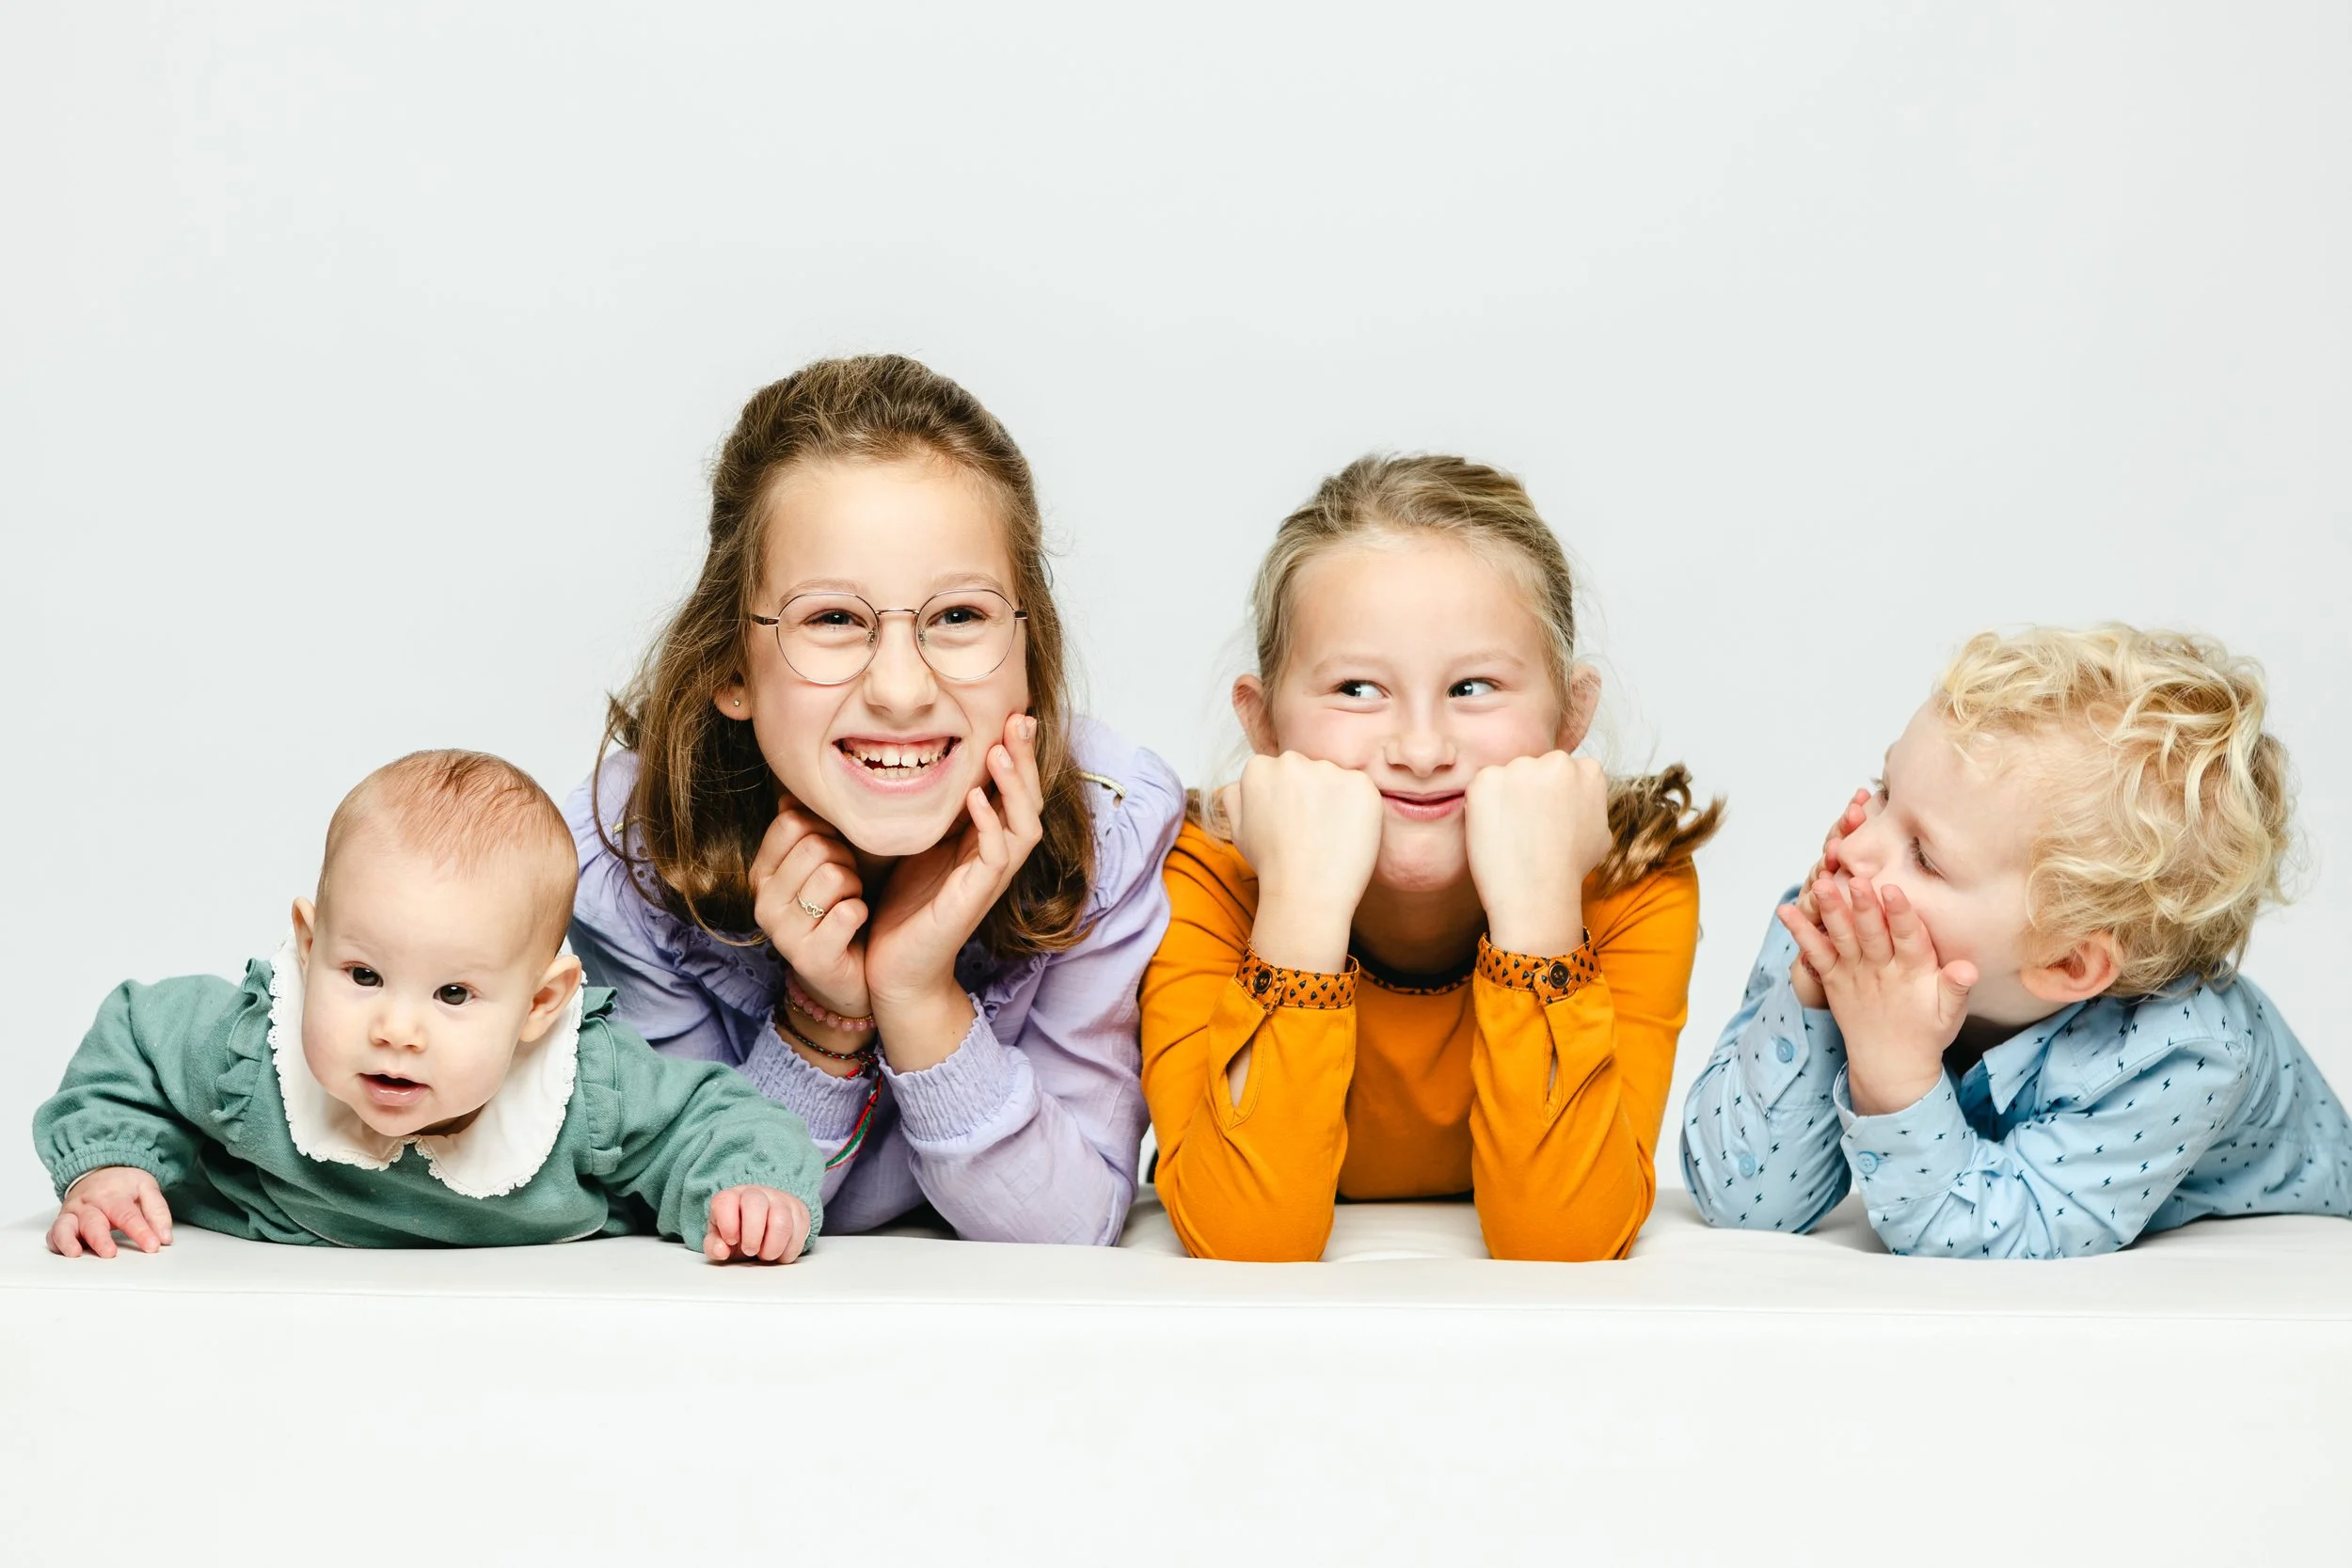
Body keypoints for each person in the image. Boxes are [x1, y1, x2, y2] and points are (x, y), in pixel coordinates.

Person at [569, 355, 1182, 1244]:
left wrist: (917, 994)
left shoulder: (1110, 828)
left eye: (960, 616)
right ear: (731, 664)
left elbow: (1070, 1225)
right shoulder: (629, 855)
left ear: (1028, 648)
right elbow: (700, 1206)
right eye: (833, 619)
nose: (900, 689)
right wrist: (827, 1015)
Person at [1140, 454, 1721, 1261]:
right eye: (1356, 688)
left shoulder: (1630, 879)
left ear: (1569, 715)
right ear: (1263, 721)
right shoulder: (1207, 875)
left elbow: (1565, 1240)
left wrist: (1539, 911)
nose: (1420, 748)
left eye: (1475, 686)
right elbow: (1246, 1237)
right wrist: (1302, 904)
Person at [1681, 625, 2352, 1256]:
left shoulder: (2187, 1051)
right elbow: (1742, 1204)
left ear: (2066, 961)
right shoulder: (1846, 934)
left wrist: (1896, 1074)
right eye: (1884, 793)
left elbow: (1991, 1232)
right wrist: (1815, 991)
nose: (1856, 846)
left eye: (1925, 856)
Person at [40, 751, 822, 1262]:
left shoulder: (586, 1088)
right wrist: (109, 1162)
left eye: (453, 994)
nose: (396, 1030)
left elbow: (716, 1117)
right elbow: (136, 1038)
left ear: (540, 1006)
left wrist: (750, 1188)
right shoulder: (250, 1052)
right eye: (363, 974)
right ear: (310, 950)